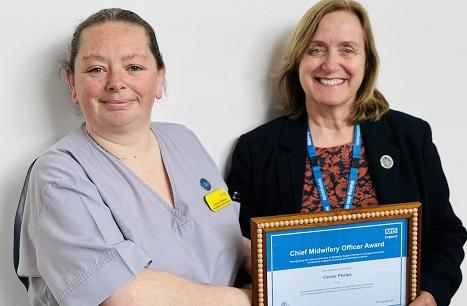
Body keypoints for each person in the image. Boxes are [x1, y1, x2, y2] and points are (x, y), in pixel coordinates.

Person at [227, 0, 466, 305]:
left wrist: (431, 296)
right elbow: (235, 247)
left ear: (367, 64)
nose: (330, 64)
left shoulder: (411, 137)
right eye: (316, 49)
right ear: (298, 60)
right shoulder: (257, 149)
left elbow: (447, 233)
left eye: (348, 49)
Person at [16, 8, 251, 305]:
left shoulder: (184, 140)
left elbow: (220, 236)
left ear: (158, 79)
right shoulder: (59, 174)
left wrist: (271, 263)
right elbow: (120, 296)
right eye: (96, 69)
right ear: (73, 84)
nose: (116, 82)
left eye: (135, 68)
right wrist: (250, 299)